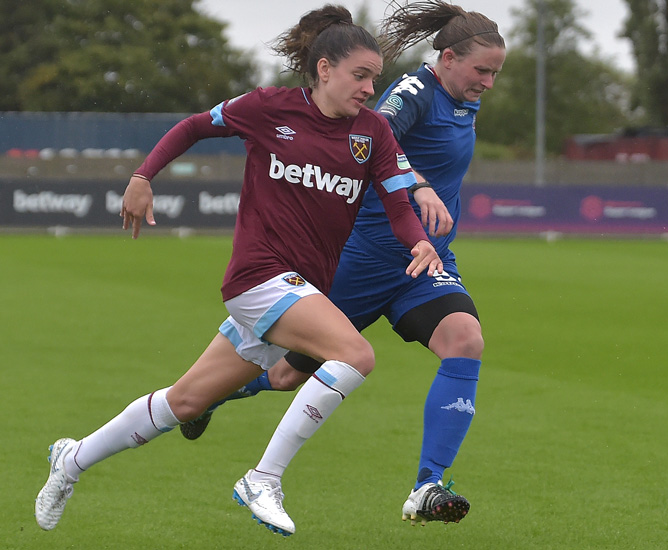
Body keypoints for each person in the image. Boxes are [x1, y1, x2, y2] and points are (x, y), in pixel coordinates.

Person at [34, 5, 443, 534]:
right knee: (355, 354)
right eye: (360, 75)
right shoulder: (268, 108)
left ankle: (71, 459)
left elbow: (397, 207)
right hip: (258, 276)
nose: (369, 88)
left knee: (183, 402)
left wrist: (420, 245)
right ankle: (264, 478)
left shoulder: (374, 134)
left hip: (298, 289)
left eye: (375, 78)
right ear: (324, 69)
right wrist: (143, 176)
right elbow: (192, 127)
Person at [183, 1, 506, 536]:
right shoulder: (413, 94)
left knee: (465, 339)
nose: (489, 83)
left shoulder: (461, 99)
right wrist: (418, 185)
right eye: (482, 71)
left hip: (422, 263)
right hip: (361, 259)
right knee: (286, 374)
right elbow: (370, 132)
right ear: (447, 59)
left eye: (495, 73)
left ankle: (428, 485)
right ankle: (208, 395)